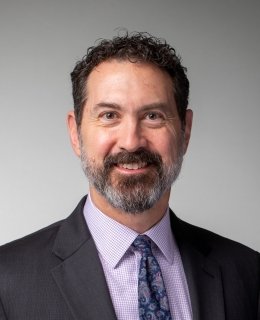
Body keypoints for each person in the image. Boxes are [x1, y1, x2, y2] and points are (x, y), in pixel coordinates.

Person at [0, 32, 259, 320]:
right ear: (75, 134)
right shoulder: (7, 280)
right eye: (109, 115)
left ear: (185, 131)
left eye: (153, 116)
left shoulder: (248, 273)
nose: (132, 142)